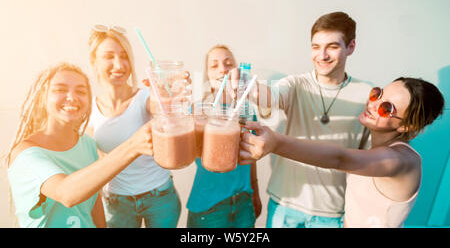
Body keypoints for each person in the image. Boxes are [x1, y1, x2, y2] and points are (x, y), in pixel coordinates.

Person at [239, 77, 445, 228]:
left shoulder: (402, 160)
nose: (373, 104)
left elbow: (340, 158)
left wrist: (276, 143)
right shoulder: (376, 149)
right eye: (377, 93)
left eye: (386, 108)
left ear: (407, 126)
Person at [238, 11, 374, 228]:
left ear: (351, 47)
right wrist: (250, 89)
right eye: (316, 46)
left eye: (332, 46)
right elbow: (271, 95)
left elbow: (369, 162)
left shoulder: (368, 95)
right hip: (285, 206)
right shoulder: (296, 84)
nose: (322, 55)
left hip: (333, 214)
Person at [6, 63, 154, 228]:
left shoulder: (88, 144)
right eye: (60, 90)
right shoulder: (27, 154)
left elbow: (94, 200)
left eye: (81, 91)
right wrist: (132, 146)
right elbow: (66, 193)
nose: (72, 97)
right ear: (43, 97)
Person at [87, 25, 182, 228]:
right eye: (109, 56)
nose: (119, 64)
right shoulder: (89, 110)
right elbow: (94, 163)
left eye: (124, 56)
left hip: (160, 197)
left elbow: (165, 110)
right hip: (116, 203)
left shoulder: (146, 97)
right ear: (94, 62)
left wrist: (169, 100)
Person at [185, 44, 262, 228]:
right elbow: (188, 154)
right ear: (207, 75)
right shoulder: (198, 111)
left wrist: (255, 192)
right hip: (209, 207)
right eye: (214, 65)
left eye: (228, 63)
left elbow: (251, 157)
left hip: (243, 201)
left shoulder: (247, 111)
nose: (223, 69)